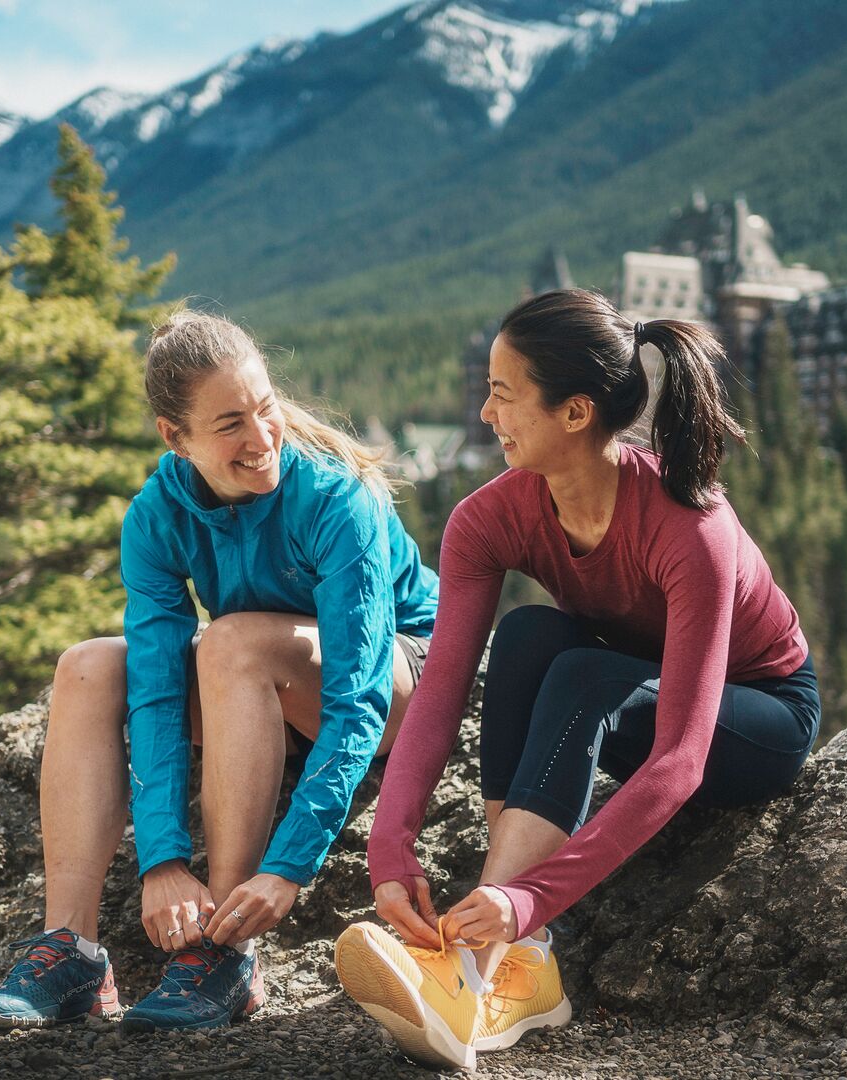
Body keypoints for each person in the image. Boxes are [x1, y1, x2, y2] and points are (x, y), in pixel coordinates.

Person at [335, 288, 820, 1069]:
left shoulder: (691, 527)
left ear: (575, 412)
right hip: (631, 679)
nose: (486, 414)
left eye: (503, 394)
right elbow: (440, 694)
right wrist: (389, 849)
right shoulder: (488, 519)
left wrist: (528, 895)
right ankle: (521, 964)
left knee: (584, 674)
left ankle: (483, 961)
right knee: (527, 636)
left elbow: (681, 760)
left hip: (757, 715)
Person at [0, 310, 439, 1033]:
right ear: (173, 438)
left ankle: (224, 948)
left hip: (398, 678)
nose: (261, 439)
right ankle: (72, 952)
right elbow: (153, 691)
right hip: (258, 680)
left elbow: (357, 700)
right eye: (229, 425)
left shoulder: (339, 499)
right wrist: (161, 861)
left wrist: (287, 867)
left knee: (230, 642)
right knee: (89, 667)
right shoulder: (156, 517)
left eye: (265, 407)